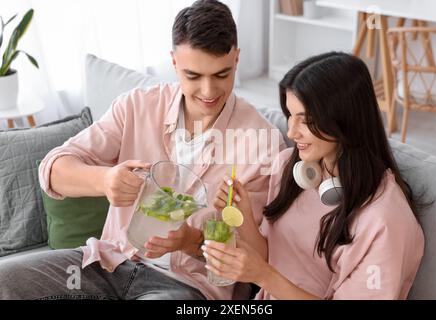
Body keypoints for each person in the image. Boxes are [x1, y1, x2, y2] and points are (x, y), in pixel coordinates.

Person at [0, 0, 284, 300]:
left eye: (221, 75)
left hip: (184, 286)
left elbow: (260, 260)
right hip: (106, 264)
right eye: (193, 76)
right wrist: (105, 181)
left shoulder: (263, 143)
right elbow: (52, 170)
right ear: (173, 62)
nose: (208, 91)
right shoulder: (138, 106)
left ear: (237, 59)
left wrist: (191, 241)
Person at [205, 52, 425, 300]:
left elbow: (268, 273)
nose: (291, 132)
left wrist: (264, 276)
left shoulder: (385, 219)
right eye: (290, 116)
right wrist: (243, 216)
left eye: (306, 121)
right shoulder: (290, 166)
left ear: (345, 121)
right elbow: (273, 259)